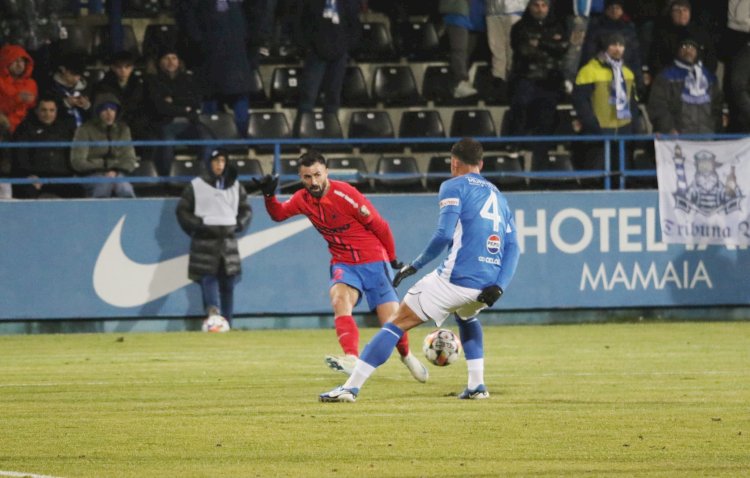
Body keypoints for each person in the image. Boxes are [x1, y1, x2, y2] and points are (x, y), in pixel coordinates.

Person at [319, 138, 521, 403]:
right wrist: (500, 285)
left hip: (455, 279)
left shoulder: (452, 185)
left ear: (454, 162)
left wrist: (415, 265)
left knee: (395, 324)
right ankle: (477, 385)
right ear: (481, 164)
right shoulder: (499, 195)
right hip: (487, 283)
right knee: (467, 317)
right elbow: (514, 247)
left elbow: (443, 234)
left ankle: (350, 388)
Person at [252, 150, 429, 383]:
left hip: (373, 261)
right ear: (300, 177)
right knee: (339, 300)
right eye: (307, 177)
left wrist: (393, 258)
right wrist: (268, 195)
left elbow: (380, 226)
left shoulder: (346, 194)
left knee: (392, 323)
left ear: (326, 172)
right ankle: (351, 358)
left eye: (317, 175)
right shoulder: (301, 199)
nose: (313, 182)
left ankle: (406, 355)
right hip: (344, 263)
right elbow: (279, 214)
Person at [176, 148, 252, 324]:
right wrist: (198, 226)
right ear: (209, 164)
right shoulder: (196, 185)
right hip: (205, 240)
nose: (219, 165)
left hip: (228, 241)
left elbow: (246, 209)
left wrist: (239, 224)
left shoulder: (235, 186)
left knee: (228, 283)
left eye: (222, 161)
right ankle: (212, 313)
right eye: (216, 161)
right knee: (207, 277)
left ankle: (227, 321)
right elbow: (182, 211)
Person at [175, 0, 254, 136]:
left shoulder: (236, 7)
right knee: (209, 104)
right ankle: (211, 142)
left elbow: (251, 21)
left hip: (236, 58)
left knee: (239, 101)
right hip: (208, 57)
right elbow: (188, 20)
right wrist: (198, 44)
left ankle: (242, 139)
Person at [572, 32, 640, 180]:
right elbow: (581, 102)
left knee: (623, 179)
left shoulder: (627, 72)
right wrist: (592, 124)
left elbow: (633, 102)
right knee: (594, 179)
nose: (618, 49)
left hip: (623, 133)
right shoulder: (589, 71)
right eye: (613, 45)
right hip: (598, 134)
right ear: (605, 48)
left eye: (621, 45)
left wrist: (633, 126)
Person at [507, 0, 568, 163]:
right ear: (529, 6)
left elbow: (563, 47)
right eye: (536, 5)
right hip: (526, 77)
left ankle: (541, 160)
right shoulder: (519, 27)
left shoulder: (559, 25)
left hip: (551, 80)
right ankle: (515, 146)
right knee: (520, 106)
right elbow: (524, 51)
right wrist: (550, 45)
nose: (540, 9)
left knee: (546, 118)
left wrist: (540, 43)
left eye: (544, 5)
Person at [143, 47, 208, 176]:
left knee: (208, 140)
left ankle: (204, 174)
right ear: (159, 62)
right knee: (167, 144)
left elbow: (195, 102)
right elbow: (160, 108)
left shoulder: (188, 79)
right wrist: (184, 108)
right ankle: (167, 180)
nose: (171, 61)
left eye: (174, 58)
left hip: (189, 123)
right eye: (166, 58)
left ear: (179, 61)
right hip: (164, 124)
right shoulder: (153, 81)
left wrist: (173, 101)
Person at [294, 0, 361, 115]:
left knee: (333, 97)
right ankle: (303, 129)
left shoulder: (348, 2)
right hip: (315, 52)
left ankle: (331, 130)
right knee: (308, 96)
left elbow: (354, 24)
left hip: (339, 52)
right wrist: (306, 46)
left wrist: (346, 47)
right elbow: (301, 21)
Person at [647, 38, 723, 135]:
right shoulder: (665, 76)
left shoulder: (709, 77)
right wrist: (668, 128)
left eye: (691, 47)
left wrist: (715, 130)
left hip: (706, 138)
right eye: (684, 47)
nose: (688, 50)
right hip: (676, 139)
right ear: (677, 51)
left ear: (698, 51)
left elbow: (717, 107)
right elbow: (658, 106)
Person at [70, 93, 137, 198]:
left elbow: (129, 158)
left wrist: (115, 171)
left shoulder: (123, 129)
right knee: (104, 185)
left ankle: (132, 213)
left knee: (124, 188)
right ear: (98, 112)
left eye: (112, 109)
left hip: (116, 173)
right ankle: (97, 213)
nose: (109, 113)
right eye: (105, 109)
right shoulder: (84, 130)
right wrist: (103, 171)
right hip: (91, 174)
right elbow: (77, 161)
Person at [12, 95, 79, 198]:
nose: (48, 114)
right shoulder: (25, 128)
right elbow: (20, 155)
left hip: (61, 177)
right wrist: (27, 175)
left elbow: (73, 153)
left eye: (52, 110)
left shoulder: (65, 128)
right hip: (36, 176)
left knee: (77, 190)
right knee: (27, 190)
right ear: (36, 111)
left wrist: (73, 173)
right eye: (44, 110)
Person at [440, 0, 486, 98]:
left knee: (468, 53)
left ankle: (458, 85)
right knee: (459, 50)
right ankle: (460, 81)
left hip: (476, 13)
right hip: (458, 11)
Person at [485, 0, 527, 102]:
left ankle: (513, 84)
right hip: (492, 10)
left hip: (515, 8)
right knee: (496, 49)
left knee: (512, 48)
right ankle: (498, 85)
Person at [40, 53, 92, 129]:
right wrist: (65, 104)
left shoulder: (86, 88)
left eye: (79, 75)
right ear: (63, 69)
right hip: (61, 134)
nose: (76, 78)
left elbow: (95, 115)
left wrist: (87, 106)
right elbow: (46, 115)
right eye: (73, 74)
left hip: (84, 135)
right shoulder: (49, 87)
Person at [0, 44, 38, 137]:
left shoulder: (31, 83)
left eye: (22, 61)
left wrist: (32, 102)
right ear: (6, 62)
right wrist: (17, 98)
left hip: (26, 128)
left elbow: (34, 107)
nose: (19, 64)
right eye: (15, 60)